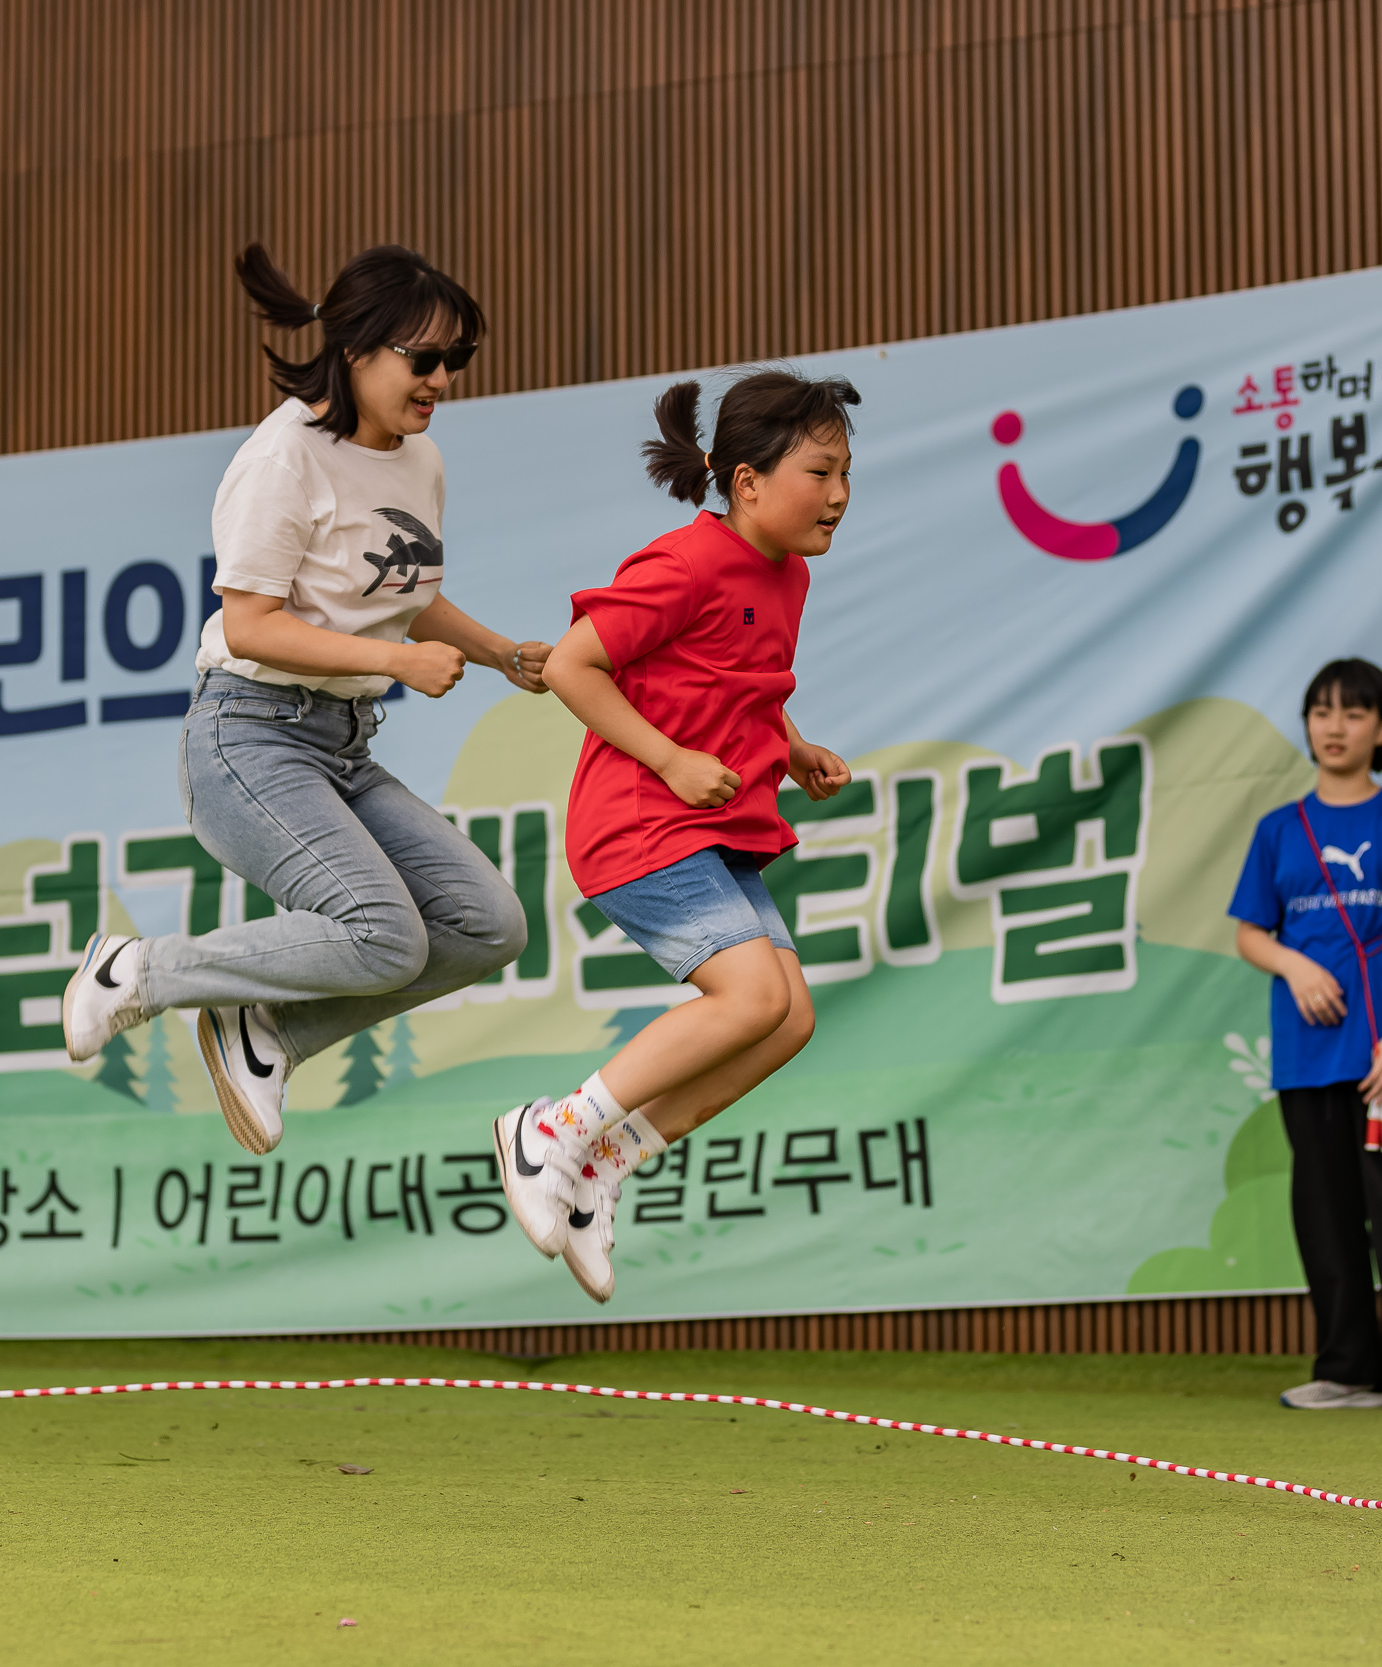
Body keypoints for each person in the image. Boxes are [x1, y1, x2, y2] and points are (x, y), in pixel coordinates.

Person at [63, 243, 551, 1155]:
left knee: (489, 924)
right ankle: (137, 970)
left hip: (342, 744)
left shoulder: (420, 461)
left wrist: (498, 654)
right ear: (358, 348)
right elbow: (250, 624)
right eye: (424, 358)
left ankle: (269, 1032)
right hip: (247, 737)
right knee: (382, 935)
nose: (442, 378)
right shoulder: (281, 457)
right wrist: (403, 667)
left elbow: (401, 594)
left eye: (458, 361)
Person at [494, 369, 857, 1304]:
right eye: (820, 472)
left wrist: (795, 744)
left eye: (846, 472)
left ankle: (605, 1160)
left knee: (789, 1019)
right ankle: (550, 1129)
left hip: (714, 828)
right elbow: (575, 665)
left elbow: (740, 685)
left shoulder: (789, 576)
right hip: (642, 822)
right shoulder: (686, 562)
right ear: (745, 481)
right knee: (746, 998)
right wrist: (671, 759)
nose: (839, 495)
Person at [1229, 659, 1382, 1414]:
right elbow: (1250, 933)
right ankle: (1349, 1368)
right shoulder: (1279, 829)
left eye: (1352, 713)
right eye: (1320, 711)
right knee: (1325, 1207)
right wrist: (1296, 965)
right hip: (1308, 1056)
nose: (1333, 726)